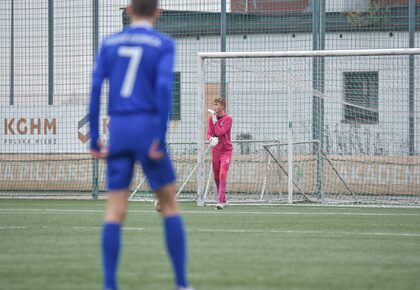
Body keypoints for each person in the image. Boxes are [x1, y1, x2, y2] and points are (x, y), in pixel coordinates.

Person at [88, 1, 193, 289]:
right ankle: (182, 283)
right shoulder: (163, 43)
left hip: (119, 128)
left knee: (114, 210)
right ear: (158, 12)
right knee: (170, 205)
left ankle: (110, 285)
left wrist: (95, 135)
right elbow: (162, 88)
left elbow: (97, 86)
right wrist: (160, 134)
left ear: (129, 9)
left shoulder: (110, 42)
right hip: (147, 127)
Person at [207, 97, 233, 210]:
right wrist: (210, 139)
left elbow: (219, 132)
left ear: (222, 106)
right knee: (216, 176)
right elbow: (209, 133)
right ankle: (223, 199)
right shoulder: (211, 119)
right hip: (215, 151)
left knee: (223, 174)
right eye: (214, 104)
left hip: (226, 151)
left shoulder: (228, 119)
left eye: (217, 104)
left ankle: (220, 201)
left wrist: (214, 120)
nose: (214, 107)